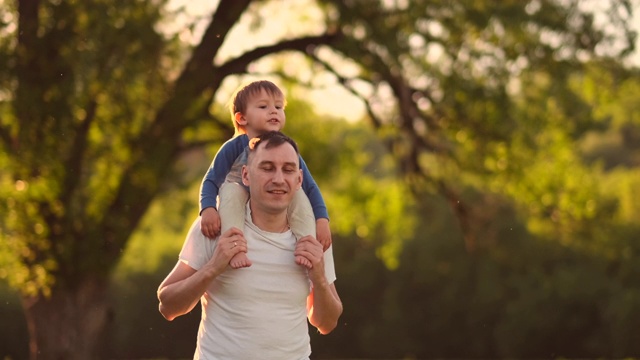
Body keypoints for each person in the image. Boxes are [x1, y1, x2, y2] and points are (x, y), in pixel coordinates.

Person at [158, 131, 343, 359]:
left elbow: (327, 323)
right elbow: (167, 306)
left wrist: (319, 278)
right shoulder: (215, 227)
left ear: (299, 180)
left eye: (287, 169)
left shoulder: (314, 237)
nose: (278, 179)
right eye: (267, 168)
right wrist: (213, 267)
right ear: (245, 175)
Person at [198, 80, 332, 269]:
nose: (273, 111)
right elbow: (211, 180)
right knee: (230, 190)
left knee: (299, 194)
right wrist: (208, 208)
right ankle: (235, 248)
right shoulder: (234, 146)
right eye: (263, 106)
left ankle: (307, 247)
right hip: (240, 193)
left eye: (278, 106)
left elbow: (310, 186)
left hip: (276, 195)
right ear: (242, 118)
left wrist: (322, 219)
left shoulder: (286, 148)